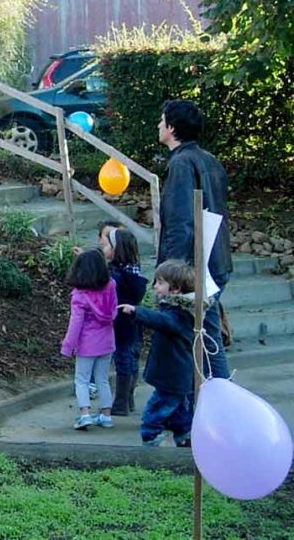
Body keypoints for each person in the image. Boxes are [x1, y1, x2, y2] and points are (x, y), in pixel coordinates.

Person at [157, 100, 232, 378]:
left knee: (206, 341)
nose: (158, 125)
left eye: (162, 120)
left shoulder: (181, 163)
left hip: (196, 266)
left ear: (172, 127)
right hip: (217, 259)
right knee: (205, 337)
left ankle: (219, 405)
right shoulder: (209, 160)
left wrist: (172, 272)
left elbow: (180, 222)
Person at [120, 259, 205, 447]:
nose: (155, 287)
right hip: (175, 374)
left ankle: (151, 437)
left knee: (157, 408)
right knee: (178, 410)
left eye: (160, 283)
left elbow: (162, 321)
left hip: (173, 374)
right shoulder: (176, 309)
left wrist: (137, 312)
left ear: (175, 289)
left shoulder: (180, 314)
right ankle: (184, 436)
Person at [61, 249, 118, 430]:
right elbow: (114, 311)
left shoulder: (79, 296)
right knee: (102, 379)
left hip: (87, 343)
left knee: (82, 380)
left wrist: (68, 346)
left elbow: (75, 323)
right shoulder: (111, 286)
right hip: (107, 341)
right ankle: (106, 415)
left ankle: (85, 414)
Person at [102, 228, 149, 416]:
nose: (102, 248)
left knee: (123, 360)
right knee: (132, 359)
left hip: (120, 324)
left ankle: (121, 403)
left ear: (116, 249)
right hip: (134, 322)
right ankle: (128, 398)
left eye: (106, 245)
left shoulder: (115, 275)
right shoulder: (134, 272)